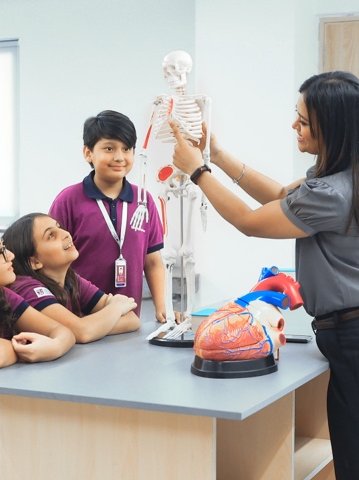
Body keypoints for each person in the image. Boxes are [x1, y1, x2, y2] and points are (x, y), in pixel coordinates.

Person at [170, 70, 359, 479]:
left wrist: (197, 172)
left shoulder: (330, 194)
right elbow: (280, 198)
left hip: (351, 335)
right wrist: (217, 156)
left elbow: (250, 222)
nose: (295, 125)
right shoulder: (341, 179)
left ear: (333, 127)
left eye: (304, 121)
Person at [48, 110, 167, 322]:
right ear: (88, 153)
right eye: (109, 148)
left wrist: (161, 307)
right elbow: (51, 265)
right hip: (80, 318)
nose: (119, 157)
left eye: (126, 149)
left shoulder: (144, 200)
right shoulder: (68, 201)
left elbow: (153, 262)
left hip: (128, 320)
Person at [0, 221, 75, 479]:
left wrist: (52, 346)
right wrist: (27, 347)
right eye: (0, 251)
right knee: (3, 470)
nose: (10, 256)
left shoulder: (3, 295)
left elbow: (64, 332)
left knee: (43, 450)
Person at [3, 213, 141, 343]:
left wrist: (92, 325)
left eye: (60, 227)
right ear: (34, 262)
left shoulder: (71, 279)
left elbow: (132, 320)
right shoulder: (25, 287)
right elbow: (83, 332)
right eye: (51, 235)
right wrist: (117, 307)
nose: (66, 234)